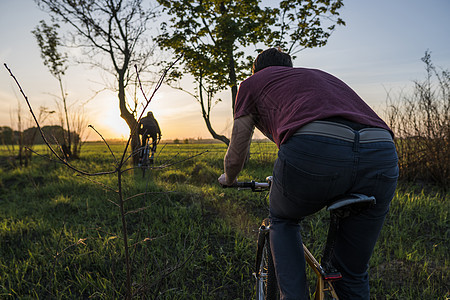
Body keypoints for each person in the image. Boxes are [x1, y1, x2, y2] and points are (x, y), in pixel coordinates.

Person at [218, 48, 398, 299]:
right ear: (289, 69)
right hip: (382, 152)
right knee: (352, 274)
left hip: (316, 149)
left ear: (256, 71)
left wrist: (230, 177)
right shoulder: (318, 77)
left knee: (283, 219)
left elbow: (237, 151)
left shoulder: (252, 83)